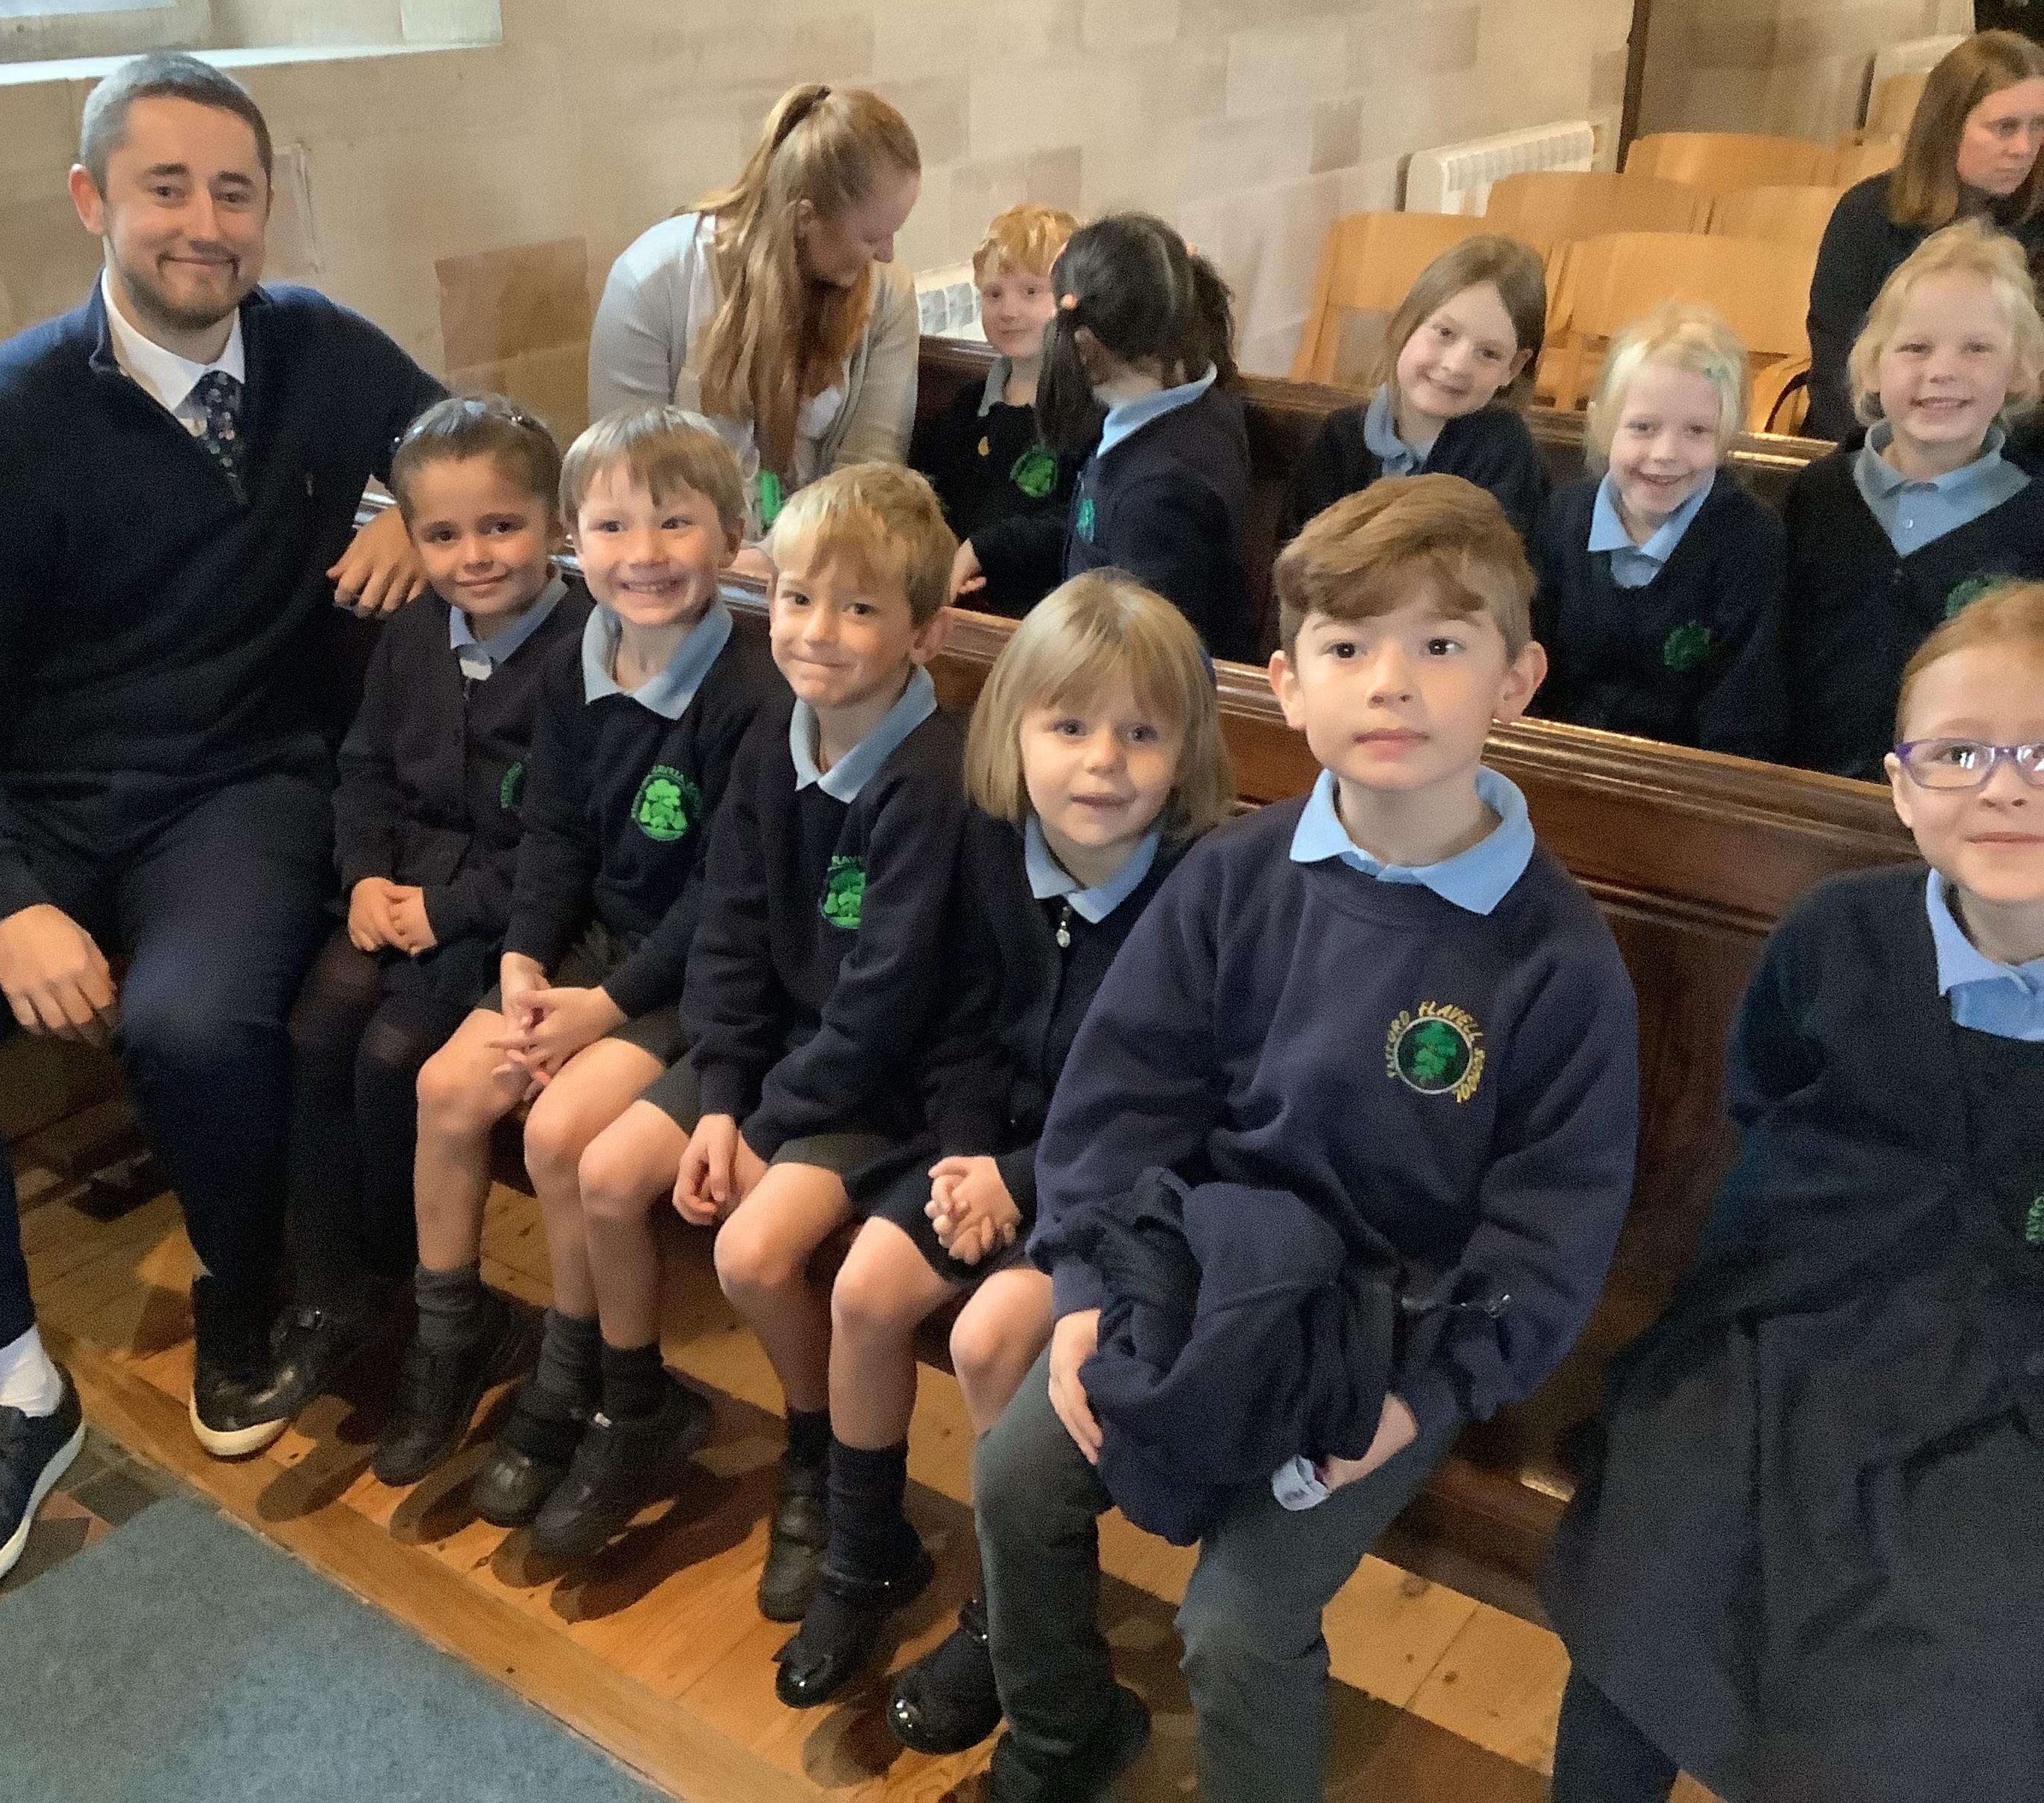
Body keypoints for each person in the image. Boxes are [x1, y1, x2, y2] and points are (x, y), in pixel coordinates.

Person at [0, 51, 446, 1612]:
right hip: (34, 802)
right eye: (166, 187)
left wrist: (419, 519)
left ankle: (240, 1286)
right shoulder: (0, 417)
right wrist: (6, 899)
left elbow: (502, 450)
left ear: (267, 208)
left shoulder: (321, 352)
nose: (203, 223)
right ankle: (11, 1389)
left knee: (194, 1021)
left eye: (234, 191)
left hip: (241, 785)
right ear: (92, 200)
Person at [970, 475, 1641, 1802]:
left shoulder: (1556, 961)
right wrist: (1086, 1292)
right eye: (1346, 645)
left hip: (1391, 1337)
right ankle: (1062, 1735)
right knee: (1016, 1476)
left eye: (1439, 643)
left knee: (1236, 1621)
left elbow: (1544, 1238)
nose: (1390, 682)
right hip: (1198, 1268)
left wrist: (1417, 1404)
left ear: (1514, 682)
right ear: (1284, 683)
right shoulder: (1235, 873)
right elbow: (1121, 1101)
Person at [1543, 583, 2044, 1803]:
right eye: (1958, 752)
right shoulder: (1840, 934)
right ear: (1900, 784)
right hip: (1786, 1323)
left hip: (2003, 1381)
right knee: (1648, 1576)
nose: (2003, 788)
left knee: (1946, 1661)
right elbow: (1765, 1091)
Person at [781, 574, 1233, 1732]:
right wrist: (970, 1153)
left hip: (1124, 1188)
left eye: (1142, 734)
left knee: (990, 1335)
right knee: (867, 1292)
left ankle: (1009, 1616)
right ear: (1015, 733)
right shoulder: (993, 843)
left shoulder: (1200, 888)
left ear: (1186, 753)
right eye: (1069, 726)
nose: (1102, 763)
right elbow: (964, 1025)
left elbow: (1177, 1106)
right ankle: (863, 1555)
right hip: (993, 1151)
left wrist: (1018, 1183)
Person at [542, 463, 966, 1590]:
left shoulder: (932, 779)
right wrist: (722, 1100)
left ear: (926, 633)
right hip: (777, 1063)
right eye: (796, 598)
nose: (818, 632)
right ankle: (632, 1406)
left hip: (882, 1085)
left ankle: (817, 1453)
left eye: (860, 608)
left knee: (752, 1251)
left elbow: (885, 1004)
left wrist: (759, 1126)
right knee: (605, 1171)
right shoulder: (781, 733)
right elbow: (727, 933)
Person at [377, 407, 786, 1496]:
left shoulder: (755, 694)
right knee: (445, 1089)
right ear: (574, 537)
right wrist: (523, 958)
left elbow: (727, 898)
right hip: (594, 950)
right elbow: (553, 833)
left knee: (560, 1131)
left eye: (674, 524)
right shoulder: (576, 663)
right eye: (611, 527)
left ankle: (576, 1379)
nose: (642, 554)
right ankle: (451, 1336)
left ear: (732, 536)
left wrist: (602, 1010)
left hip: (696, 975)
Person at [276, 397, 591, 1390]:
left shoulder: (587, 650)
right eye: (444, 535)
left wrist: (447, 912)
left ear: (556, 525)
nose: (475, 556)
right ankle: (332, 1285)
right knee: (317, 1028)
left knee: (392, 1055)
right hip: (404, 884)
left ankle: (421, 1295)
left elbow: (570, 840)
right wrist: (365, 876)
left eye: (502, 526)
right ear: (413, 539)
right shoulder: (415, 633)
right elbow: (366, 768)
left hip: (510, 915)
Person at [589, 83, 923, 532]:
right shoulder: (652, 280)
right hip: (679, 554)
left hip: (824, 556)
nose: (886, 254)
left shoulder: (888, 290)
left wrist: (789, 558)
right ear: (805, 218)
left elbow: (869, 477)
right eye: (872, 237)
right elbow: (624, 471)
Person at [1784, 220, 2044, 779]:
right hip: (1806, 793)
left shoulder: (2033, 519)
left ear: (2020, 371)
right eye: (1915, 348)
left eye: (1977, 348)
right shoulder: (1815, 498)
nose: (1942, 371)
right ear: (1872, 367)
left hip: (1964, 798)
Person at [1529, 305, 1785, 758]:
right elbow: (1528, 667)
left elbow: (1742, 710)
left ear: (1725, 437)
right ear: (1603, 426)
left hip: (1685, 778)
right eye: (1643, 428)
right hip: (1559, 760)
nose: (1666, 453)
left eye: (1696, 431)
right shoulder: (1560, 520)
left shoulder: (1751, 543)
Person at [1804, 29, 2044, 441]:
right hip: (1874, 445)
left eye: (2038, 126)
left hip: (2011, 455)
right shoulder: (1868, 213)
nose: (2024, 147)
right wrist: (1889, 459)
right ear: (1948, 128)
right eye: (2005, 127)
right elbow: (1838, 367)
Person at [1037, 212, 1255, 661]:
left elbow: (1144, 657)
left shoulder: (1158, 491)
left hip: (1127, 676)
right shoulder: (1201, 397)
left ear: (1084, 346)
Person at [1282, 234, 1550, 543]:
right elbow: (1295, 551)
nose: (1456, 366)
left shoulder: (1505, 452)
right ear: (1402, 326)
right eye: (1445, 332)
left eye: (1489, 353)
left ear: (1513, 368)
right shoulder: (1341, 437)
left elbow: (1488, 564)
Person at [908, 202, 1081, 618]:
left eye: (1031, 292)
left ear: (1072, 300)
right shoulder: (970, 407)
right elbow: (926, 486)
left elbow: (1082, 523)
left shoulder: (1087, 412)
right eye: (994, 294)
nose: (1009, 311)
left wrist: (986, 551)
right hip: (955, 600)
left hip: (1043, 617)